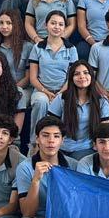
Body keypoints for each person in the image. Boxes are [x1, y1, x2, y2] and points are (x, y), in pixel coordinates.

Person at [28, 11, 78, 146]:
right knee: (41, 101)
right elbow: (33, 78)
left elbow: (72, 77)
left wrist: (60, 93)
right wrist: (46, 92)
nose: (57, 27)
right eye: (53, 23)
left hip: (64, 90)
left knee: (67, 102)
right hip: (41, 90)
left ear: (65, 27)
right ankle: (34, 143)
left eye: (61, 24)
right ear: (46, 25)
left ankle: (61, 144)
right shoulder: (38, 48)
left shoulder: (71, 49)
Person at [48, 61, 109, 159]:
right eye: (77, 74)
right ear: (71, 78)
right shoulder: (62, 98)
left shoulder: (101, 101)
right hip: (60, 146)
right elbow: (50, 124)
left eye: (86, 73)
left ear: (91, 76)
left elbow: (104, 129)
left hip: (86, 148)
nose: (82, 76)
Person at [0, 10, 33, 101]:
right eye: (1, 23)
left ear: (16, 25)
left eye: (9, 23)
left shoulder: (28, 47)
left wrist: (11, 89)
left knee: (16, 97)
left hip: (20, 88)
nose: (4, 27)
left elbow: (28, 77)